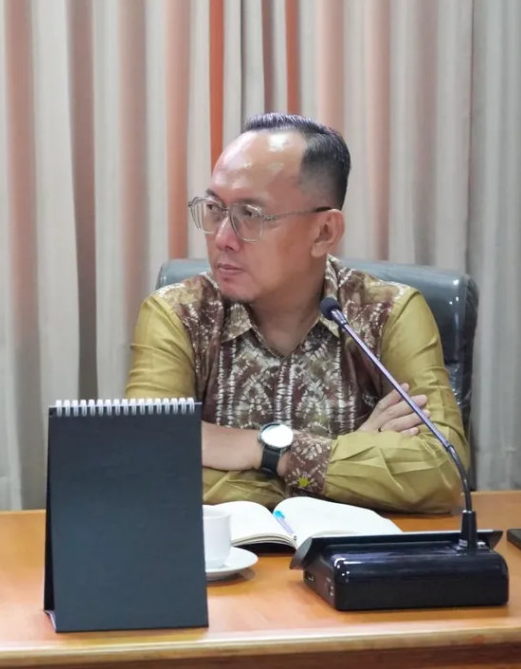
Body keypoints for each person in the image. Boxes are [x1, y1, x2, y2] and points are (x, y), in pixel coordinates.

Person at [125, 112, 466, 513]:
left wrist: (267, 450)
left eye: (250, 214)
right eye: (215, 208)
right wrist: (352, 464)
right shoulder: (178, 315)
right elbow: (144, 466)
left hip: (351, 550)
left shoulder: (389, 313)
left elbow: (444, 470)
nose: (222, 238)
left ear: (324, 232)